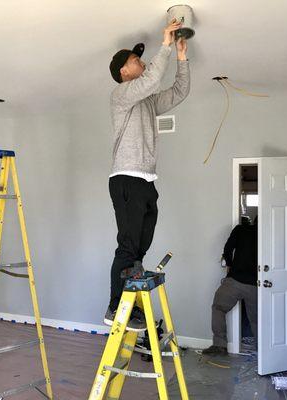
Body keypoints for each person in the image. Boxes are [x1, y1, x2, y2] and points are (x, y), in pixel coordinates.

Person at [104, 19, 191, 331]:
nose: (140, 62)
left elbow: (180, 91)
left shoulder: (147, 101)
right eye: (135, 60)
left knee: (139, 250)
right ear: (123, 73)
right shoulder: (121, 95)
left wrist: (181, 56)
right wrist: (164, 45)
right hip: (126, 177)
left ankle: (132, 308)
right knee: (128, 246)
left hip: (146, 181)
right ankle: (115, 308)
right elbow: (152, 80)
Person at [203, 219, 258, 355]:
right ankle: (262, 349)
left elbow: (228, 249)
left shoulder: (240, 229)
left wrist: (229, 265)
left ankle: (220, 345)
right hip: (257, 284)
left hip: (235, 280)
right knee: (257, 319)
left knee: (218, 308)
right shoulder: (268, 233)